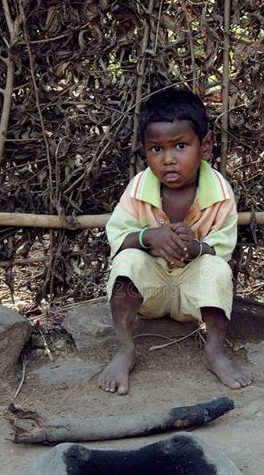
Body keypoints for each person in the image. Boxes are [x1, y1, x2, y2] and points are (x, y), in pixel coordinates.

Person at [98, 87, 252, 395]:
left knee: (217, 270)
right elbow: (118, 237)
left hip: (192, 299)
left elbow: (222, 247)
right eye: (157, 149)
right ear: (144, 149)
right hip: (149, 295)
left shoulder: (220, 192)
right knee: (126, 262)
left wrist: (196, 247)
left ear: (205, 145)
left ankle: (214, 350)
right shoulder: (139, 187)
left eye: (181, 146)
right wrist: (147, 236)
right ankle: (125, 349)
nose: (168, 159)